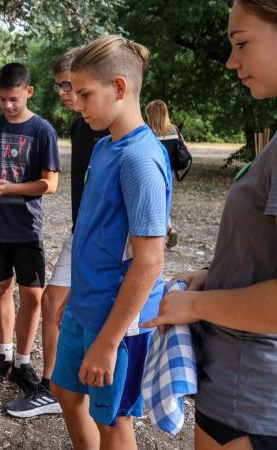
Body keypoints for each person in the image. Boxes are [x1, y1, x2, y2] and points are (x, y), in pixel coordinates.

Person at [142, 1, 277, 449]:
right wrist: (210, 278)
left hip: (253, 398)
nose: (230, 60)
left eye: (241, 43)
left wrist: (194, 307)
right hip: (241, 388)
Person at [50, 36, 171, 450]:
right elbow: (95, 230)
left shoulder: (141, 159)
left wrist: (108, 341)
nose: (77, 103)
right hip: (86, 306)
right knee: (66, 392)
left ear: (119, 88)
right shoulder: (104, 146)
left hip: (118, 323)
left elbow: (150, 261)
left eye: (85, 93)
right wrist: (77, 295)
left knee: (114, 423)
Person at [5, 48, 108, 418]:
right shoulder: (83, 125)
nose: (66, 94)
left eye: (72, 86)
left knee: (83, 312)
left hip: (104, 239)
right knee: (54, 304)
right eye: (62, 86)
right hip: (81, 231)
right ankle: (53, 387)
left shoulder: (110, 126)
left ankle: (89, 391)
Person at [0, 63, 61, 396]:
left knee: (32, 297)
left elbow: (50, 184)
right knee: (1, 289)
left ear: (28, 92)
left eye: (14, 99)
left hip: (26, 229)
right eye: (3, 99)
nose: (7, 105)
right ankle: (4, 355)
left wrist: (11, 189)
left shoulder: (42, 131)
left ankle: (23, 361)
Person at [145, 99, 184, 249]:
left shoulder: (147, 132)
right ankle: (169, 228)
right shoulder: (174, 130)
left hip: (152, 171)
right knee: (164, 201)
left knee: (154, 203)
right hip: (170, 172)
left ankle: (161, 232)